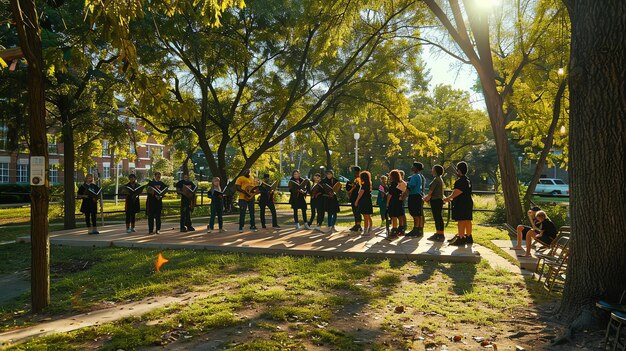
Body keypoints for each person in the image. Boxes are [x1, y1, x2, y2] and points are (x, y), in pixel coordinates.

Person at [444, 161, 473, 246]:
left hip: (461, 203)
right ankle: (468, 237)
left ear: (459, 170)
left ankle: (461, 238)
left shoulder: (459, 181)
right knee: (468, 220)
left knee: (461, 221)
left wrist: (448, 198)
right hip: (468, 202)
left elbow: (457, 192)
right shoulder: (468, 180)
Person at [423, 165, 445, 242]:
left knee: (437, 217)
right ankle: (438, 233)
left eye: (433, 169)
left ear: (436, 171)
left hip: (436, 200)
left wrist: (425, 198)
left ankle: (440, 234)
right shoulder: (439, 179)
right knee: (437, 217)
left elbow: (430, 192)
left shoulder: (436, 180)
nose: (431, 170)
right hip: (437, 200)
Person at [407, 162, 426, 237]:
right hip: (418, 196)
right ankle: (419, 229)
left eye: (413, 166)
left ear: (416, 168)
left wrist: (404, 194)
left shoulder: (415, 177)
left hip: (414, 196)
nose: (412, 167)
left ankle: (416, 229)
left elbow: (411, 186)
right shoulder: (421, 176)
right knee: (418, 214)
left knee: (415, 214)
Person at [386, 170, 405, 239]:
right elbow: (404, 191)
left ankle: (394, 229)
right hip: (399, 201)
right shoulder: (400, 183)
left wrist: (387, 202)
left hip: (393, 201)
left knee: (393, 215)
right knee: (400, 215)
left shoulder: (393, 184)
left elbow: (390, 194)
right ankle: (401, 228)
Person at [346, 166, 363, 232]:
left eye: (356, 172)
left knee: (358, 211)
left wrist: (355, 187)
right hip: (353, 197)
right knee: (354, 211)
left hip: (358, 197)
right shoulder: (351, 179)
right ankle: (356, 224)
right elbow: (348, 188)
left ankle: (359, 225)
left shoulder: (360, 179)